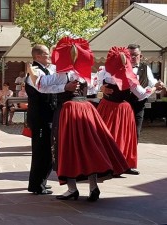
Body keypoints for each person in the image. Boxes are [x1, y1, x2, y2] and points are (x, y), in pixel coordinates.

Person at [27, 37, 129, 202]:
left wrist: (32, 73)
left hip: (69, 111)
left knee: (68, 149)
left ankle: (72, 189)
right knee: (89, 148)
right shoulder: (85, 72)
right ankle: (93, 186)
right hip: (86, 109)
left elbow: (42, 84)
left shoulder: (63, 73)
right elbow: (94, 89)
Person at [101, 44, 164, 175]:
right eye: (130, 56)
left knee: (128, 136)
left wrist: (156, 85)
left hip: (122, 107)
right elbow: (141, 93)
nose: (132, 58)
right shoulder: (126, 74)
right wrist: (154, 89)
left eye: (135, 55)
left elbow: (94, 82)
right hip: (121, 108)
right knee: (117, 137)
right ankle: (115, 165)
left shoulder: (107, 71)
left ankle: (120, 164)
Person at [25, 44, 66, 195]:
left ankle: (41, 181)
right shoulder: (34, 71)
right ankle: (36, 185)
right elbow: (42, 87)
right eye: (47, 54)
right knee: (41, 151)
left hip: (48, 114)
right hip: (40, 116)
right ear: (38, 56)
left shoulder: (48, 70)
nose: (49, 57)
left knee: (48, 150)